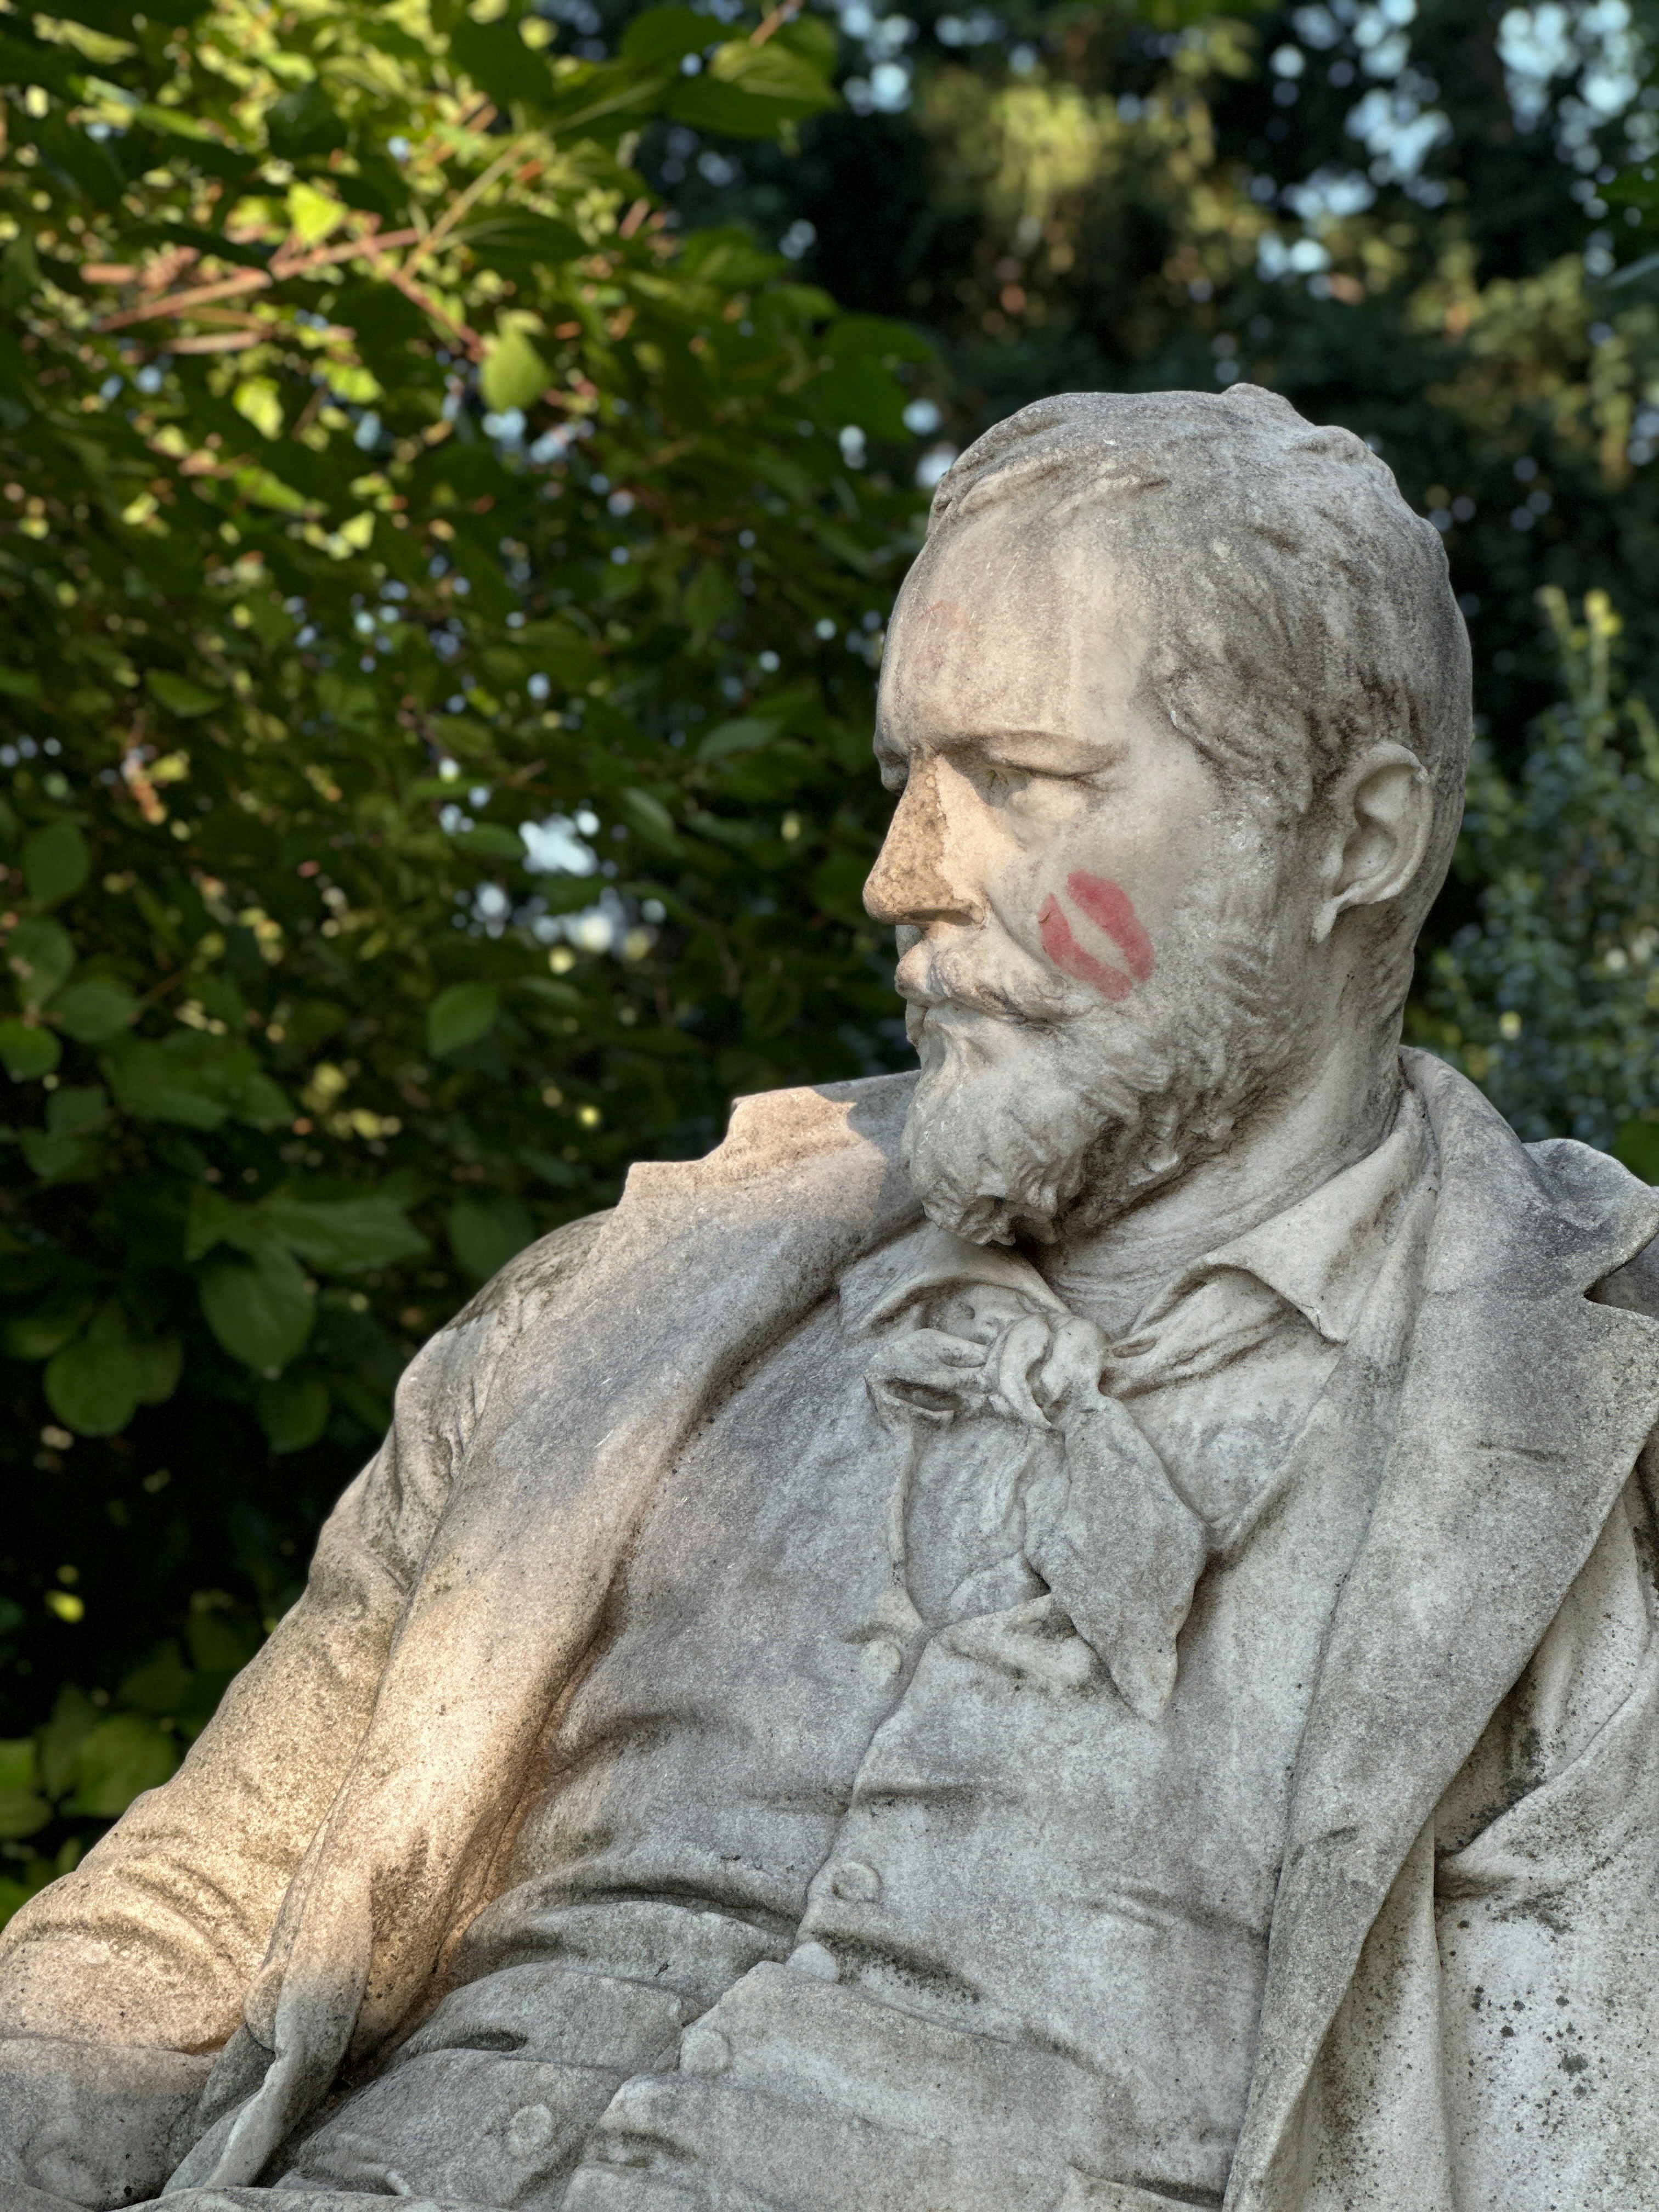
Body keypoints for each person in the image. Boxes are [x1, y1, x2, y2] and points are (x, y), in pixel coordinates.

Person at [7, 383, 1659, 2212]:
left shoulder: (1581, 1429)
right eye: (905, 785)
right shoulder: (612, 1315)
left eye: (1021, 782)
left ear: (1355, 840)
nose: (904, 880)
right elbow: (175, 1938)